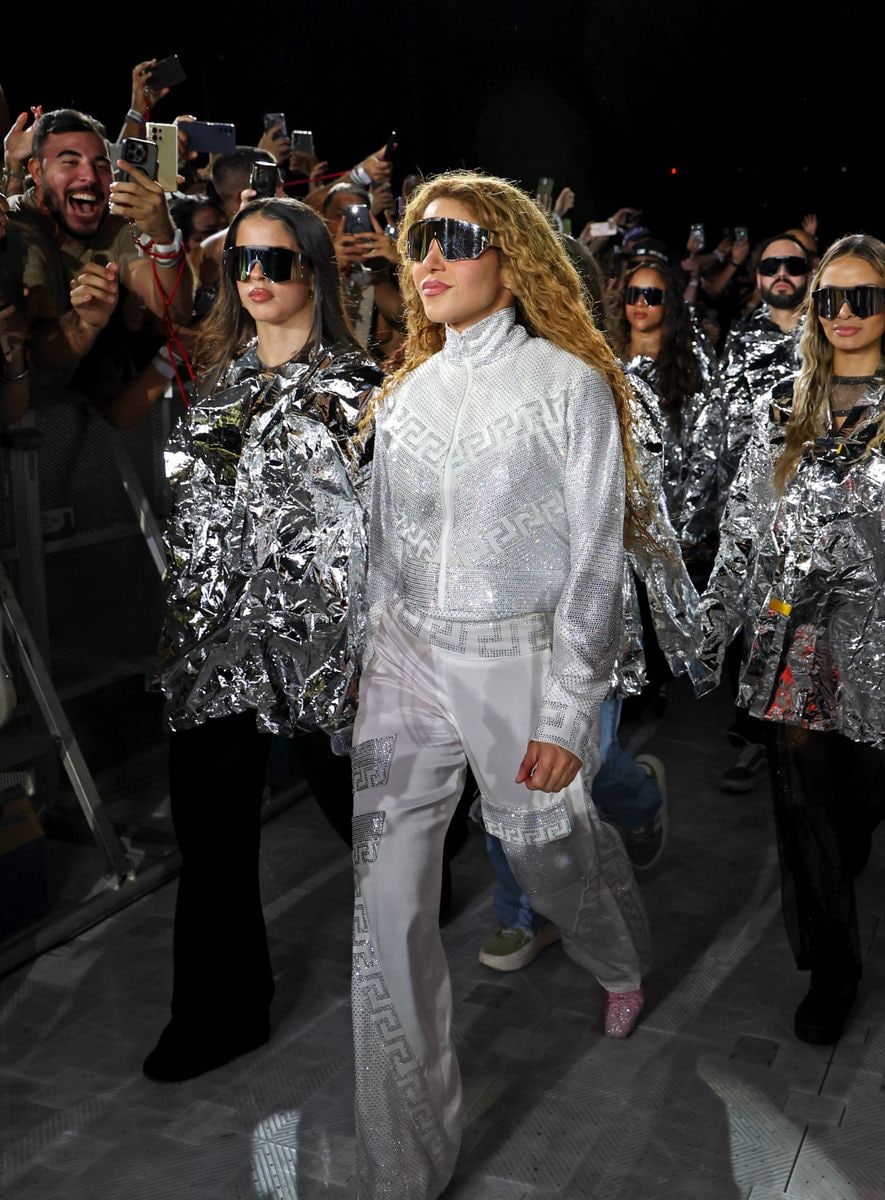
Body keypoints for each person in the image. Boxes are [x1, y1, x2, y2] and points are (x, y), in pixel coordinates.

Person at [351, 172, 650, 1200]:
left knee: (547, 846)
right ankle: (405, 1167)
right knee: (385, 904)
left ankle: (615, 955)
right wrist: (375, 659)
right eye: (415, 242)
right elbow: (387, 552)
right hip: (406, 661)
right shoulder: (410, 394)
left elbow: (597, 560)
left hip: (518, 657)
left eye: (452, 239)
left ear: (511, 256)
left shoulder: (567, 385)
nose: (425, 261)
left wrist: (569, 706)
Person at [140, 197, 382, 1083]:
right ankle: (221, 1010)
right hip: (216, 647)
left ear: (314, 271)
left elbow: (386, 534)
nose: (254, 278)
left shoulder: (361, 390)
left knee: (373, 820)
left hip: (326, 654)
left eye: (275, 262)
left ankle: (440, 871)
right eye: (242, 261)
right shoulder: (219, 386)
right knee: (210, 832)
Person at [696, 233, 885, 1045]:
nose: (842, 314)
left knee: (858, 807)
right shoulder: (784, 406)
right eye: (828, 299)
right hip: (800, 641)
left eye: (862, 298)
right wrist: (708, 629)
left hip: (881, 641)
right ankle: (833, 967)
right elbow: (743, 530)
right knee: (808, 808)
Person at [715, 233, 809, 794]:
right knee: (749, 626)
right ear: (757, 276)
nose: (780, 274)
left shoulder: (829, 334)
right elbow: (723, 427)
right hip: (751, 511)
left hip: (812, 512)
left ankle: (801, 743)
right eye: (770, 265)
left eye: (792, 265)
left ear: (809, 271)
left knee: (801, 627)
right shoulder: (742, 340)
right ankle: (753, 740)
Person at [7, 108, 192, 388]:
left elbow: (174, 310)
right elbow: (35, 350)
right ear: (37, 172)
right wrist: (84, 325)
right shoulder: (16, 225)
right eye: (70, 162)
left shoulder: (115, 224)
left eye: (101, 165)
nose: (90, 177)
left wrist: (165, 237)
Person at [613, 258, 724, 569]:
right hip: (617, 522)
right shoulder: (606, 362)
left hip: (674, 522)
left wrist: (687, 528)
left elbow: (706, 449)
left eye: (652, 296)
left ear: (670, 304)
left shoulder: (689, 367)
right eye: (633, 294)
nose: (640, 303)